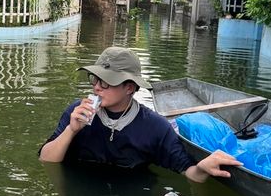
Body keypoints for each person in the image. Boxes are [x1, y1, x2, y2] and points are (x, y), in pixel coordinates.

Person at [39, 46, 240, 181]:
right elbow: (46, 160)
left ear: (129, 88)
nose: (97, 88)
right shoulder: (77, 113)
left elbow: (188, 171)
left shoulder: (155, 127)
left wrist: (203, 167)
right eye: (95, 79)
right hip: (80, 189)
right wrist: (71, 130)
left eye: (106, 82)